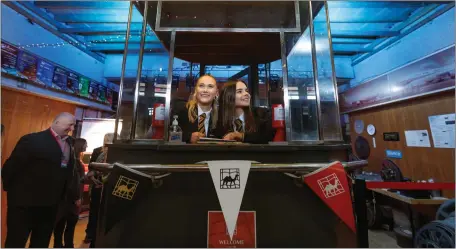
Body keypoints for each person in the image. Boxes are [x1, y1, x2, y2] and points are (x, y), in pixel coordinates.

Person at [2, 112, 76, 248]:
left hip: (50, 207)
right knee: (16, 242)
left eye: (73, 125)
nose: (72, 128)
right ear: (57, 122)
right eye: (69, 124)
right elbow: (10, 168)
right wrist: (13, 194)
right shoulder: (31, 140)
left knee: (41, 243)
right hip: (24, 206)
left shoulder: (70, 143)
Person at [53, 138, 87, 248]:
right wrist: (77, 197)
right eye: (85, 145)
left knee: (59, 226)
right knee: (70, 226)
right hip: (71, 200)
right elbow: (75, 182)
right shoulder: (76, 162)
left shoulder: (61, 159)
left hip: (60, 198)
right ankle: (68, 246)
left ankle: (58, 245)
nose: (86, 147)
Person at [84, 133, 114, 248]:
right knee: (95, 210)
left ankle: (94, 235)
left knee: (97, 211)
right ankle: (91, 233)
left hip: (104, 185)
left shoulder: (111, 152)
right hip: (98, 185)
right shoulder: (98, 151)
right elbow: (91, 168)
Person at [176, 74, 219, 144]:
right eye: (201, 86)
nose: (205, 90)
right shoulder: (181, 111)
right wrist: (188, 137)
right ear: (196, 90)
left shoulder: (221, 117)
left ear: (216, 93)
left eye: (210, 86)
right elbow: (167, 134)